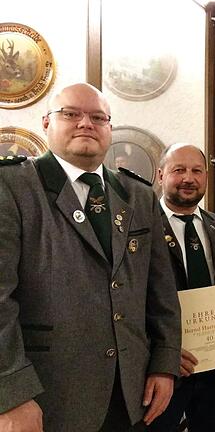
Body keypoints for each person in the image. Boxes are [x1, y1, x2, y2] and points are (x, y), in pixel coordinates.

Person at [0, 83, 181, 431]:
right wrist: (11, 393)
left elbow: (161, 293)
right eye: (71, 114)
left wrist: (164, 364)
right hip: (45, 393)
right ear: (46, 122)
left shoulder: (138, 196)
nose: (86, 123)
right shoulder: (13, 187)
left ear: (109, 129)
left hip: (131, 390)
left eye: (98, 117)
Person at [149, 143, 215, 431]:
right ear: (160, 175)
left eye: (196, 170)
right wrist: (163, 352)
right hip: (164, 371)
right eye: (178, 170)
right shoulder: (141, 227)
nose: (188, 178)